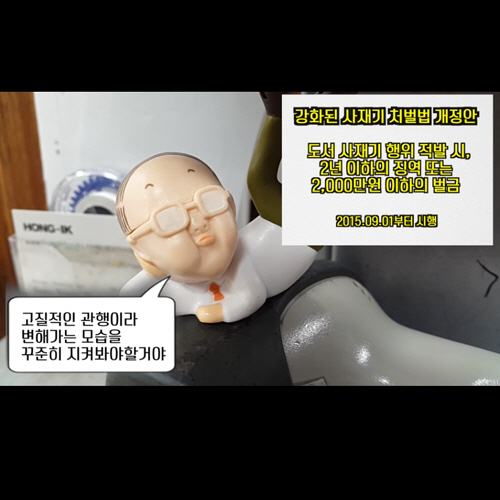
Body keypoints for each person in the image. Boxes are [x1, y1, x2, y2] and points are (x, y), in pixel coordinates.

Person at [116, 152, 316, 323]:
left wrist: (223, 311)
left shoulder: (240, 260)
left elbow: (250, 296)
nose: (199, 224)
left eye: (209, 201)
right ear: (141, 250)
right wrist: (151, 269)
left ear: (231, 208)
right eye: (169, 219)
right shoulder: (177, 289)